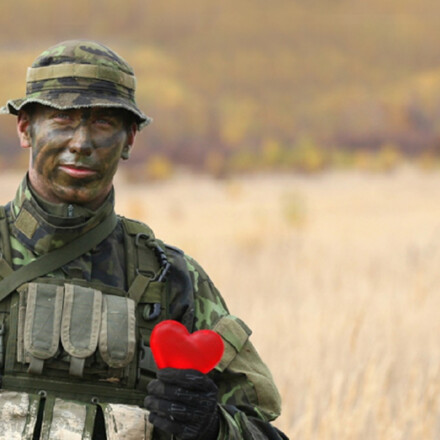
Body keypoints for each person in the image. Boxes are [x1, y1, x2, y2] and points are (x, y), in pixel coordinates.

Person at [0, 40, 288, 440]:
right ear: (25, 128)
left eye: (103, 123)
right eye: (62, 119)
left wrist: (212, 427)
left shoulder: (172, 280)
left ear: (130, 138)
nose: (81, 143)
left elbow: (263, 430)